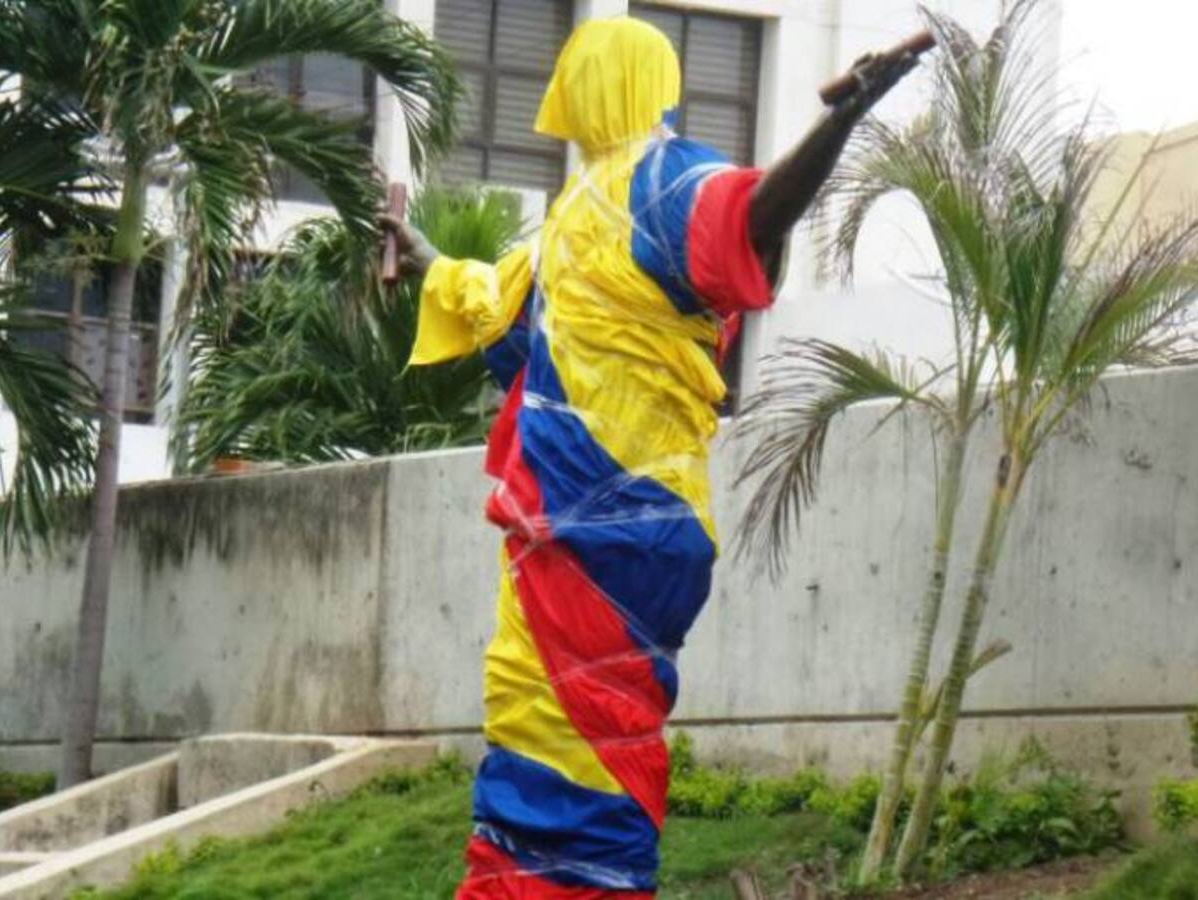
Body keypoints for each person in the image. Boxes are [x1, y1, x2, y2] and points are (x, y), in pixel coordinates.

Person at [383, 16, 920, 898]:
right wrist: (425, 252)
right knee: (537, 723)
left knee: (581, 734)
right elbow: (497, 303)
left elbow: (749, 213)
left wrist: (839, 123)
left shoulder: (663, 182)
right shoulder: (570, 221)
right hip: (572, 524)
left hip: (619, 522)